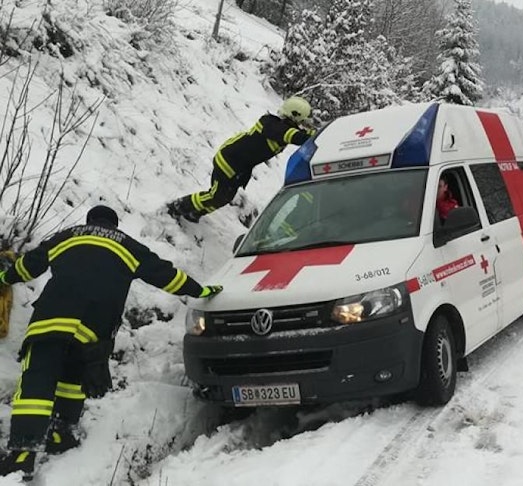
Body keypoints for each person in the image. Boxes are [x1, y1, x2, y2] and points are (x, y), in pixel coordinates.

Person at [0, 205, 223, 480]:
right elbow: (166, 275)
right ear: (114, 226)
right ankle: (62, 433)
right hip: (94, 328)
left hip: (52, 318)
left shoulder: (66, 236)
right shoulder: (127, 245)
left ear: (90, 221)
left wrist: (4, 278)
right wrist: (199, 290)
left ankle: (23, 451)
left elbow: (28, 265)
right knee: (73, 378)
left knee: (37, 380)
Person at [166, 97, 316, 223]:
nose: (302, 124)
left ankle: (193, 214)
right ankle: (176, 207)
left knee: (223, 196)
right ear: (294, 116)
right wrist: (317, 134)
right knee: (218, 196)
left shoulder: (276, 125)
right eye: (301, 120)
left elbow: (300, 134)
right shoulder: (272, 125)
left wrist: (317, 132)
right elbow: (299, 137)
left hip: (237, 164)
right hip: (229, 162)